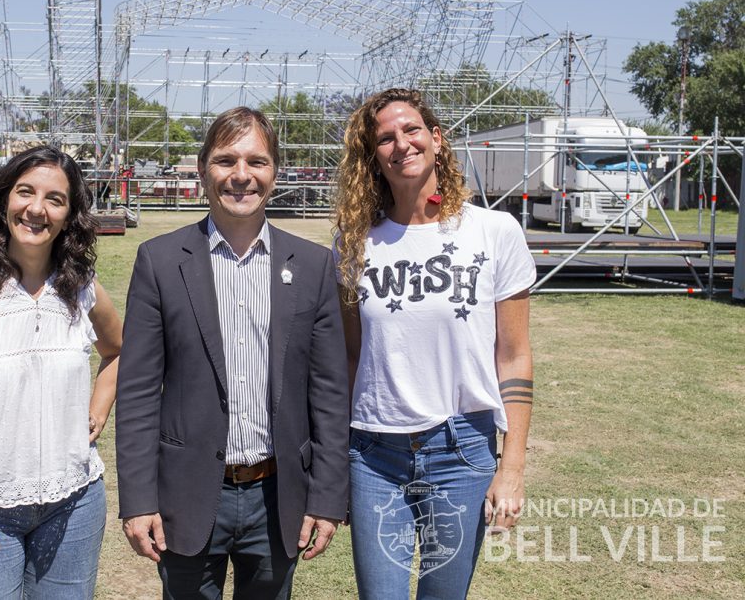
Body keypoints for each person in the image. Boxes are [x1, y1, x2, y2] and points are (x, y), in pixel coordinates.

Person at [116, 107, 349, 599]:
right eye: (225, 160)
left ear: (275, 172)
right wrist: (138, 499)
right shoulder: (160, 262)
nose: (241, 175)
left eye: (256, 161)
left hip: (277, 496)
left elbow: (328, 393)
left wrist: (327, 497)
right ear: (203, 170)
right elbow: (137, 392)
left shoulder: (312, 265)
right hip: (188, 493)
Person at [334, 89, 535, 599]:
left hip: (462, 452)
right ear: (373, 157)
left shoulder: (494, 232)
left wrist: (510, 469)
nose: (401, 144)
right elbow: (351, 356)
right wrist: (336, 456)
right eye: (385, 138)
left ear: (437, 140)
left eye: (412, 130)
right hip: (374, 453)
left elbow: (513, 355)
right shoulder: (354, 242)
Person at [0, 145, 122, 598]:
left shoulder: (84, 293)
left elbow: (120, 351)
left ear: (70, 214)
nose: (36, 209)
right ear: (3, 201)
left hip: (75, 503)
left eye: (55, 199)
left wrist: (100, 405)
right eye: (24, 192)